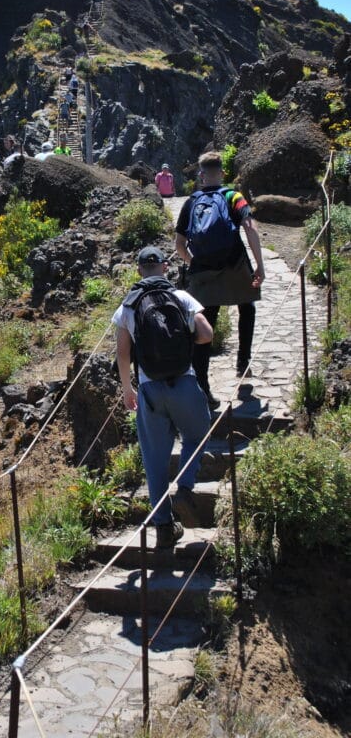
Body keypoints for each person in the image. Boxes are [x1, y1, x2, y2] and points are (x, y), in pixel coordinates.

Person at [113, 246, 214, 547]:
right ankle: (184, 489)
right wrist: (186, 338)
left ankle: (164, 529)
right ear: (165, 266)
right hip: (184, 382)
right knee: (197, 434)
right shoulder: (181, 297)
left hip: (149, 390)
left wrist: (127, 388)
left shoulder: (128, 306)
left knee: (154, 461)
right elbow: (207, 333)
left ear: (139, 270)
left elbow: (122, 353)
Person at [175, 150, 266, 407]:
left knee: (205, 326)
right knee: (247, 305)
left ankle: (203, 386)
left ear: (201, 175)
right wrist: (259, 265)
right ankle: (243, 361)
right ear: (222, 173)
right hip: (235, 265)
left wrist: (195, 263)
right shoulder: (232, 196)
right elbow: (250, 226)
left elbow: (179, 244)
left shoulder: (191, 202)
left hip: (203, 271)